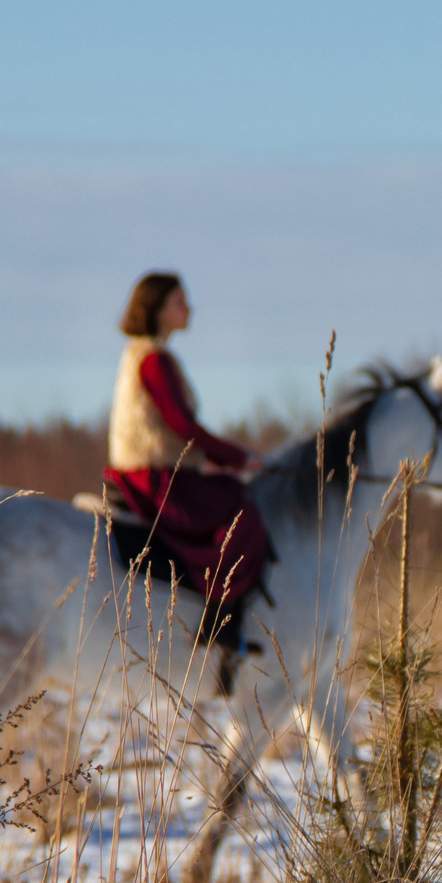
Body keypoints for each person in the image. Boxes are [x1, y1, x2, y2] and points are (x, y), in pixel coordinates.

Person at [104, 272, 272, 644]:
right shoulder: (153, 359)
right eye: (179, 302)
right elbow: (182, 424)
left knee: (227, 492)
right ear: (157, 310)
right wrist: (238, 458)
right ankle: (219, 620)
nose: (188, 309)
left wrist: (216, 462)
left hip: (152, 471)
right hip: (156, 478)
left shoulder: (140, 354)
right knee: (243, 514)